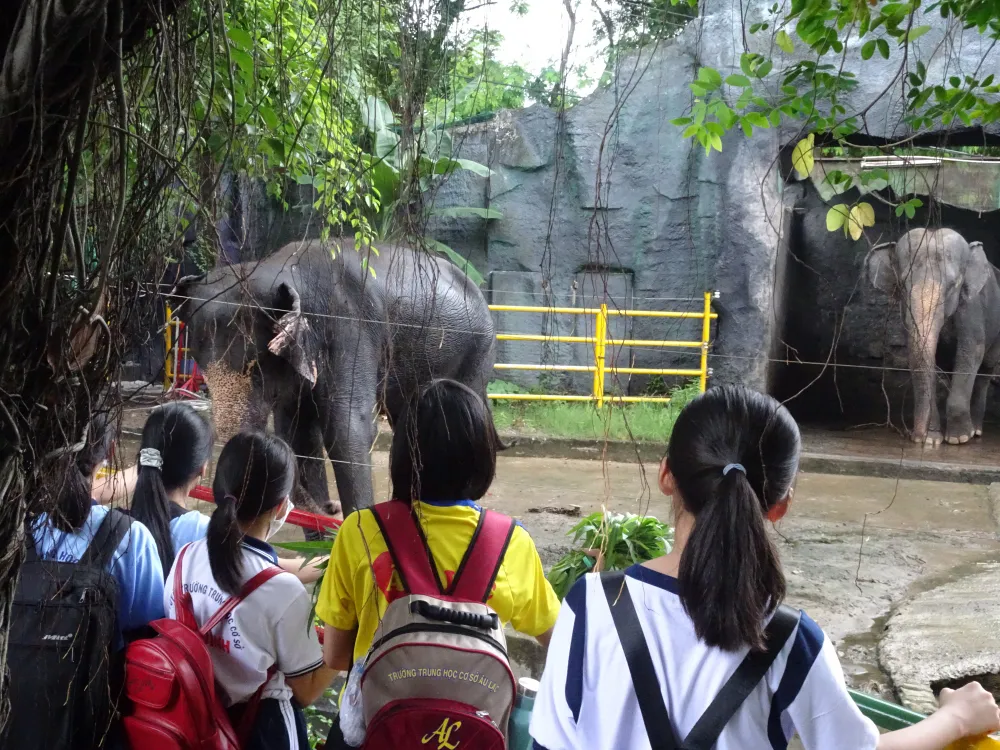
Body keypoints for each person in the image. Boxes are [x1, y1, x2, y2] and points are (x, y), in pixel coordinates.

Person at [530, 385, 1000, 750]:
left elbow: (549, 742)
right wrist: (956, 718)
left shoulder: (590, 603)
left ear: (667, 474)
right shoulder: (792, 639)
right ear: (779, 506)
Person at [317, 378, 562, 746]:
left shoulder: (361, 531)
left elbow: (336, 655)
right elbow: (560, 644)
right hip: (469, 737)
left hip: (375, 733)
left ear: (403, 454)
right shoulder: (512, 544)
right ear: (481, 458)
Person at [165, 430, 338, 750]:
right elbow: (308, 690)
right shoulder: (282, 591)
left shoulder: (185, 558)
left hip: (194, 721)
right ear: (282, 506)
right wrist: (348, 641)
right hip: (261, 731)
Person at [132, 402, 325, 582]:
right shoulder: (200, 530)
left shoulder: (127, 520)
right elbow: (269, 569)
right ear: (204, 468)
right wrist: (336, 558)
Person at [30, 409, 165, 642]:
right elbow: (149, 631)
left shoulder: (28, 526)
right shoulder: (133, 538)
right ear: (112, 450)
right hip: (101, 676)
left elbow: (88, 490)